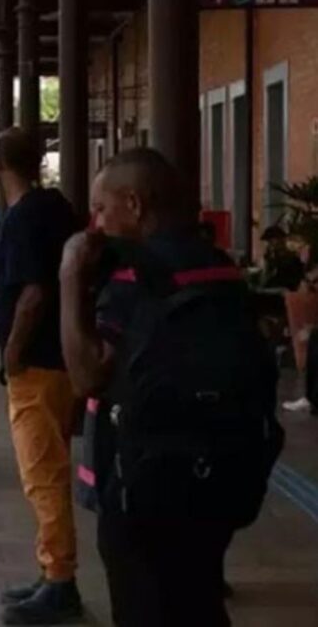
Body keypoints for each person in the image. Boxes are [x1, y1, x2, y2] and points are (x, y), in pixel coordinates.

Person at [61, 148, 282, 627]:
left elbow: (87, 376)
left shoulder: (133, 275)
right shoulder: (222, 269)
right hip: (220, 473)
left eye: (101, 208)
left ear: (134, 204)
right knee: (199, 599)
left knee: (144, 605)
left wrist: (71, 275)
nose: (96, 223)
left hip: (142, 483)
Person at [0, 128, 83, 624]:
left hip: (37, 365)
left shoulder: (25, 217)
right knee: (50, 468)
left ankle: (60, 581)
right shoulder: (56, 207)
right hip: (60, 360)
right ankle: (50, 570)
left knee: (42, 473)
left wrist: (12, 351)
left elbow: (33, 293)